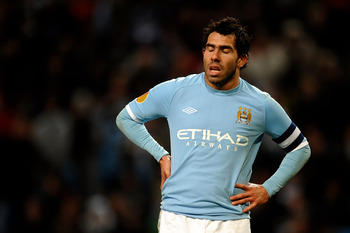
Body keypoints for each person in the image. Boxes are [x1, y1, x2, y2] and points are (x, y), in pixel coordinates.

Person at [116, 17, 311, 233]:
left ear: (242, 59)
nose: (214, 56)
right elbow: (126, 118)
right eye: (210, 48)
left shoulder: (261, 104)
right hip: (177, 219)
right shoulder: (176, 91)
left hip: (230, 223)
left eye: (225, 50)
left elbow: (300, 149)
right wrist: (161, 155)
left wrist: (268, 189)